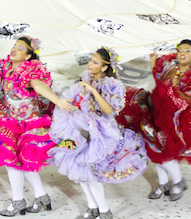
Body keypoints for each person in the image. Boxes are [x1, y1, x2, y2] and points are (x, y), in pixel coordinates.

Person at [0, 36, 74, 216]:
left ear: (27, 56)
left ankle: (18, 201)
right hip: (11, 120)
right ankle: (41, 197)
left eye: (20, 48)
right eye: (14, 46)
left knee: (12, 161)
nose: (14, 49)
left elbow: (38, 84)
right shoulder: (7, 67)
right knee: (19, 163)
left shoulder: (30, 71)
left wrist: (57, 100)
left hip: (28, 124)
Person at [119, 41, 191, 201]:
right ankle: (163, 184)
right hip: (159, 114)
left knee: (166, 151)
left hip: (182, 121)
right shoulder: (171, 69)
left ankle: (178, 181)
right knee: (155, 151)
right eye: (180, 50)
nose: (182, 53)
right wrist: (154, 63)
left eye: (187, 51)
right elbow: (159, 84)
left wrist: (174, 90)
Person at [48, 47, 147, 219]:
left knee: (91, 174)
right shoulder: (87, 78)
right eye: (90, 60)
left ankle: (104, 211)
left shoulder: (112, 84)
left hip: (101, 134)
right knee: (79, 171)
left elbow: (110, 110)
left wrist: (92, 90)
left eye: (95, 62)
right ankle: (92, 207)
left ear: (103, 67)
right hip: (82, 129)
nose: (90, 64)